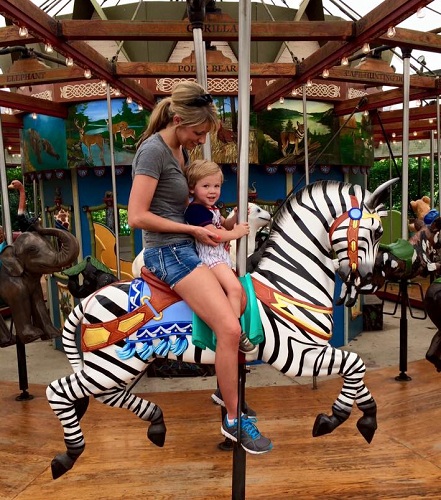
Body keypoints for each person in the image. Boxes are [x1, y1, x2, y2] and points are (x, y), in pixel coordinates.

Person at [127, 81, 272, 454]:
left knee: (239, 298)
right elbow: (136, 216)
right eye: (198, 133)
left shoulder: (179, 151)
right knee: (229, 327)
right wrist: (193, 229)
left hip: (187, 248)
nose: (200, 140)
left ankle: (226, 388)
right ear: (178, 121)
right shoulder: (153, 151)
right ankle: (233, 420)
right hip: (168, 252)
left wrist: (217, 221)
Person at [184, 159, 258, 354]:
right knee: (234, 288)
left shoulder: (212, 209)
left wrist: (236, 217)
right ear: (192, 188)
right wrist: (236, 233)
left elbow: (224, 225)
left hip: (220, 258)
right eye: (206, 186)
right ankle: (233, 331)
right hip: (211, 259)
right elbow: (214, 234)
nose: (212, 191)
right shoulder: (196, 210)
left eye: (216, 186)